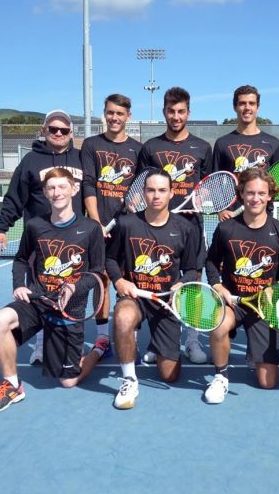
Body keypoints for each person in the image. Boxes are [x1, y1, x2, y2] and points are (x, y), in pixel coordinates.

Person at [0, 168, 106, 414]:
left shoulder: (91, 228)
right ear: (45, 193)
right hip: (38, 301)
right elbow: (20, 260)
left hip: (69, 309)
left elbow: (97, 272)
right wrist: (19, 285)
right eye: (51, 188)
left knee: (68, 381)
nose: (57, 192)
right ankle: (12, 386)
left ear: (74, 190)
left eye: (62, 187)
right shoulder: (34, 225)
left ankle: (98, 348)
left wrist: (74, 286)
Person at [0, 109, 84, 366]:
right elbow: (14, 197)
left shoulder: (80, 159)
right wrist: (2, 228)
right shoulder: (31, 162)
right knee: (39, 291)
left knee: (72, 291)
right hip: (40, 241)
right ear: (44, 130)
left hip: (74, 241)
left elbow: (92, 194)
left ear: (71, 133)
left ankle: (66, 338)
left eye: (63, 130)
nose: (58, 133)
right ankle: (41, 343)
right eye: (53, 129)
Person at [106, 170, 201, 410]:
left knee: (170, 375)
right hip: (135, 296)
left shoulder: (185, 228)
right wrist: (118, 281)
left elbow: (192, 268)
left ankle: (158, 346)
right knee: (123, 317)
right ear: (143, 193)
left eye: (161, 190)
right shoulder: (127, 224)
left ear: (171, 193)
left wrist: (183, 282)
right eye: (150, 190)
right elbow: (109, 259)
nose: (156, 195)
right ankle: (129, 379)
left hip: (166, 301)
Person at [203, 168, 279, 404]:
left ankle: (260, 349)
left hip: (263, 306)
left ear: (270, 196)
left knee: (267, 382)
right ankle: (221, 376)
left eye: (261, 193)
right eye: (250, 192)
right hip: (233, 302)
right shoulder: (226, 228)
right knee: (218, 324)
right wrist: (216, 285)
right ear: (241, 194)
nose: (256, 198)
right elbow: (211, 261)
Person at [137, 87, 211, 364]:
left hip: (192, 226)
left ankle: (192, 341)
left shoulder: (203, 148)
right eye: (171, 111)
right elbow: (142, 188)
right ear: (164, 112)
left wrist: (200, 202)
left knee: (192, 281)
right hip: (157, 228)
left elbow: (208, 188)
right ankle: (159, 342)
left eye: (181, 111)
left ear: (188, 113)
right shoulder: (151, 148)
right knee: (159, 279)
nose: (176, 116)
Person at [81, 93, 142, 354]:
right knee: (101, 280)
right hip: (99, 227)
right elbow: (88, 183)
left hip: (128, 228)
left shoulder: (138, 150)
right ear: (104, 114)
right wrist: (95, 222)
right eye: (110, 112)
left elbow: (141, 187)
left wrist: (134, 203)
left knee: (128, 279)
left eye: (120, 113)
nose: (114, 117)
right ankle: (103, 336)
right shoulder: (91, 145)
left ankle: (131, 335)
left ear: (128, 116)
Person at [212, 85, 279, 220]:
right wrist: (221, 209)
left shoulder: (273, 143)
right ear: (235, 107)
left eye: (251, 103)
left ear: (257, 107)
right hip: (231, 217)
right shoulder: (222, 143)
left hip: (263, 216)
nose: (247, 108)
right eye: (242, 103)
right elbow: (215, 181)